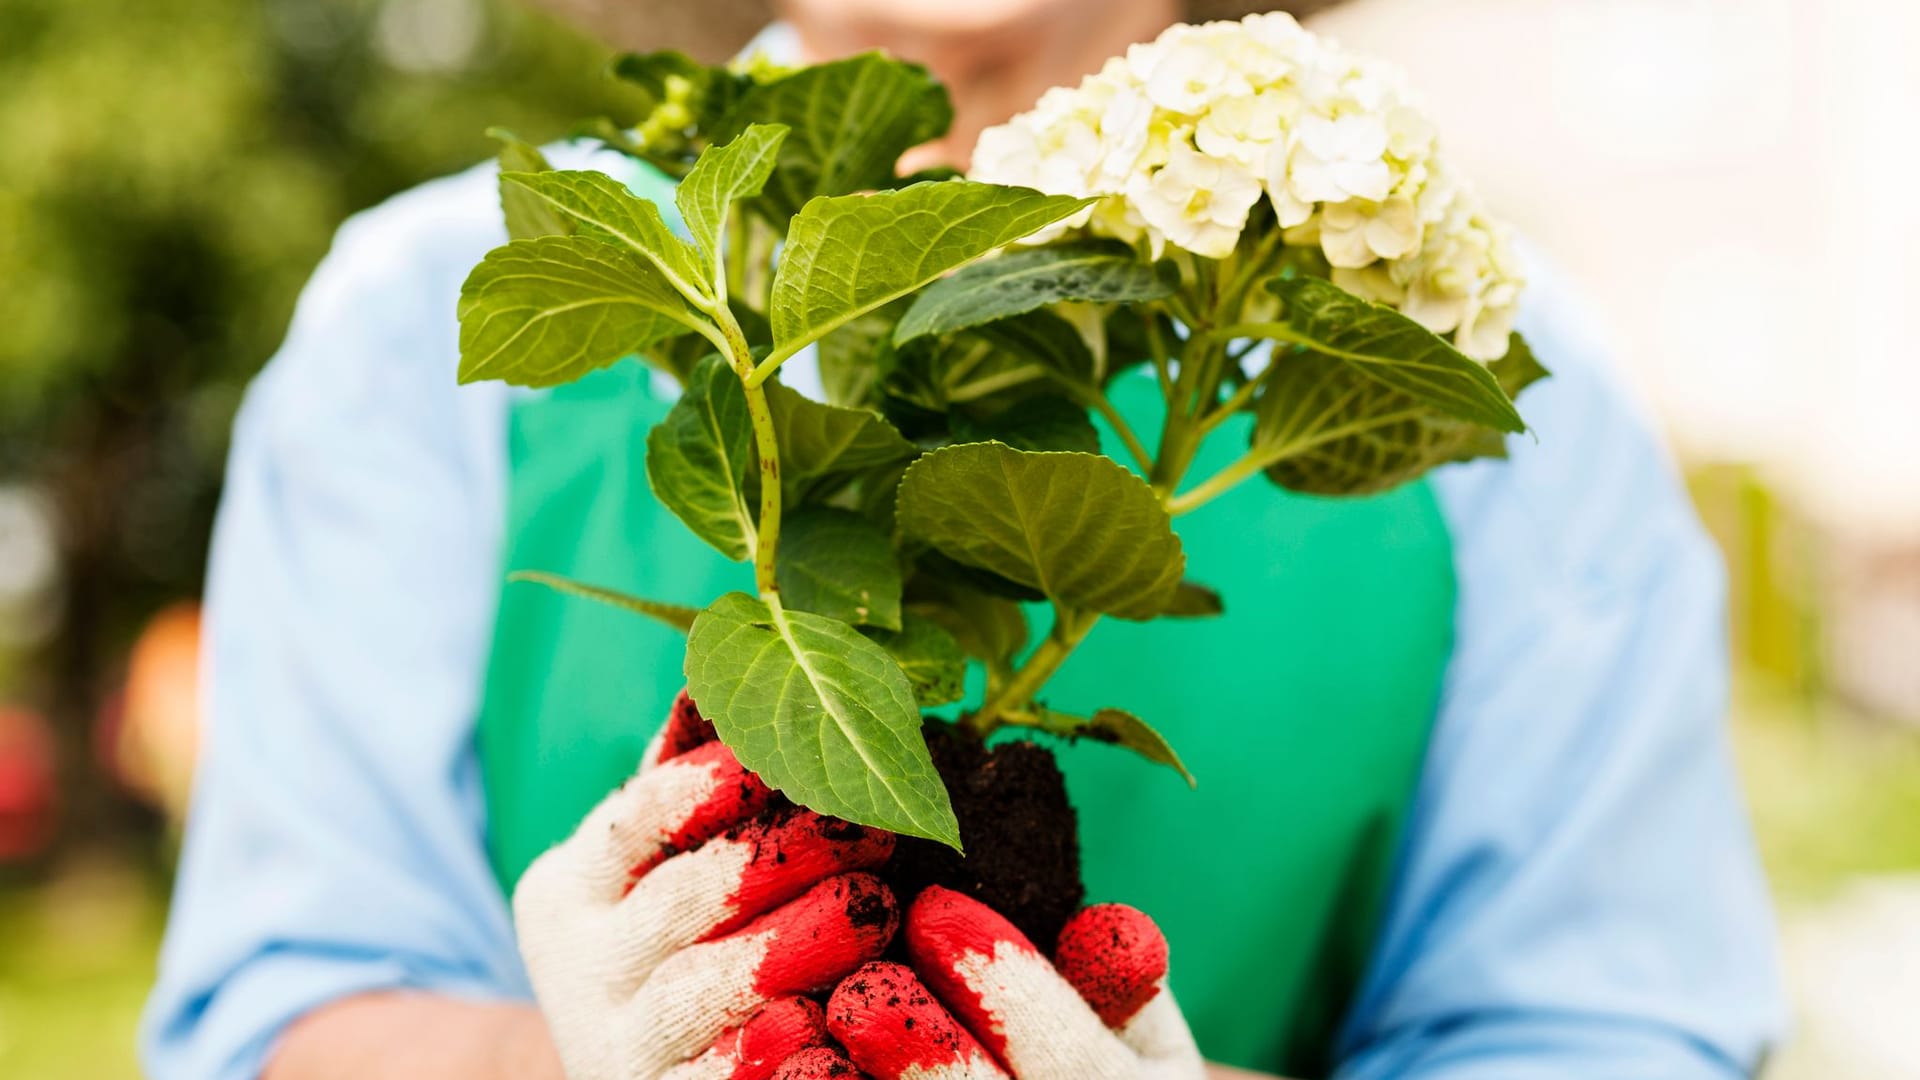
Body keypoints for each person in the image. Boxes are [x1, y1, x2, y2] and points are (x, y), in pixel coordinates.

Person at [141, 1, 1788, 1077]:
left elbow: (1610, 1031)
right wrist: (580, 1052)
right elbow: (289, 1010)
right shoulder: (426, 317)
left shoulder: (1461, 378)